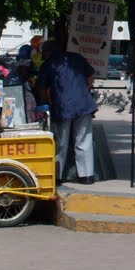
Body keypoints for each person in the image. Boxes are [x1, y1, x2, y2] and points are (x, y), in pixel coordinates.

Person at [37, 40, 98, 185]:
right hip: (84, 104)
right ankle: (87, 176)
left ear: (48, 52)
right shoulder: (76, 57)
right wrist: (84, 92)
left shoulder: (49, 64)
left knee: (60, 142)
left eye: (44, 54)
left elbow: (41, 88)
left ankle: (57, 176)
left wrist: (45, 104)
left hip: (63, 106)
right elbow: (90, 77)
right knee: (84, 140)